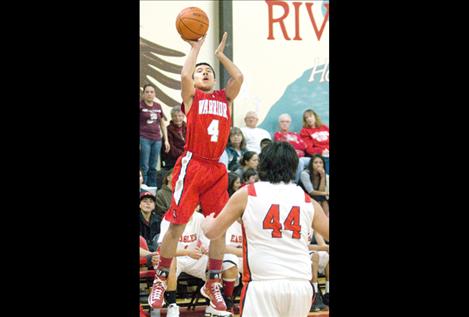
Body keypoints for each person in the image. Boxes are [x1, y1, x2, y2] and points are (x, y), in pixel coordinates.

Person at [148, 31, 244, 312]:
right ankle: (161, 278)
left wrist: (220, 56)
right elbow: (184, 76)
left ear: (214, 79)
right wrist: (196, 48)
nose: (203, 73)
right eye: (200, 71)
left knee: (218, 228)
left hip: (216, 167)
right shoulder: (192, 99)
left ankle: (213, 280)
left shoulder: (225, 98)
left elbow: (238, 78)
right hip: (193, 164)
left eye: (207, 71)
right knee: (177, 226)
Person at [201, 142, 329, 317]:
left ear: (263, 164)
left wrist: (206, 222)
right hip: (301, 284)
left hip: (263, 283)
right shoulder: (306, 199)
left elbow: (212, 233)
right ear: (293, 167)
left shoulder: (249, 193)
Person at [157, 206, 238, 317]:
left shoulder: (199, 218)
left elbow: (208, 245)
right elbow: (163, 250)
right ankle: (172, 306)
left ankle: (213, 305)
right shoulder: (169, 217)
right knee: (171, 260)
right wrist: (187, 252)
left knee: (221, 261)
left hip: (194, 257)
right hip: (176, 257)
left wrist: (205, 249)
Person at [140, 83, 171, 186]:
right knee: (144, 165)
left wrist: (166, 140)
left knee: (153, 166)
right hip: (144, 138)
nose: (149, 94)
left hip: (157, 140)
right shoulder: (140, 105)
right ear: (143, 94)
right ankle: (143, 188)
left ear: (155, 94)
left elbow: (162, 123)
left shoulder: (158, 106)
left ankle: (152, 189)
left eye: (151, 92)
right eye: (147, 92)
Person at [274, 113, 310, 183]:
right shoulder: (277, 134)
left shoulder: (295, 134)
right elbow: (284, 146)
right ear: (279, 123)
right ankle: (295, 182)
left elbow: (303, 146)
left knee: (315, 161)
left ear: (290, 123)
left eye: (287, 122)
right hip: (290, 159)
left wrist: (291, 145)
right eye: (282, 121)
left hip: (302, 158)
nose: (285, 124)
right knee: (300, 162)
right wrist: (296, 144)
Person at [300, 109, 330, 174]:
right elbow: (309, 149)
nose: (309, 119)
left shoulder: (324, 127)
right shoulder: (304, 131)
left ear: (315, 117)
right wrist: (322, 151)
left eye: (310, 116)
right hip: (320, 156)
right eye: (306, 118)